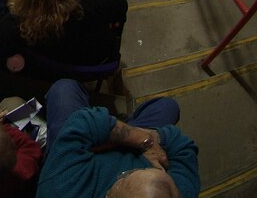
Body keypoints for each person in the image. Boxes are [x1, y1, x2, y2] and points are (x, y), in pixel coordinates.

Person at [37, 79, 199, 198]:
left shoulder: (60, 188)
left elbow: (84, 122)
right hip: (143, 145)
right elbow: (182, 146)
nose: (123, 171)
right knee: (168, 106)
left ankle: (121, 124)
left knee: (64, 88)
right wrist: (146, 140)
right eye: (144, 169)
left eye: (125, 177)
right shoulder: (178, 191)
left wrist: (128, 135)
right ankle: (125, 124)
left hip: (80, 157)